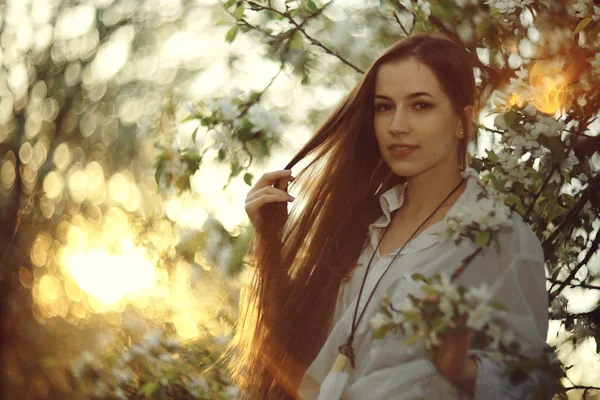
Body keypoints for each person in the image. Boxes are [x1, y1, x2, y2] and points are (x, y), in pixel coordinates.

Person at [227, 32, 553, 399]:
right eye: (384, 106)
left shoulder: (501, 240)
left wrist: (463, 370)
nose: (397, 125)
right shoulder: (360, 225)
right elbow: (296, 347)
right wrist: (268, 238)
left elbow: (531, 383)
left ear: (462, 121)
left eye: (420, 106)